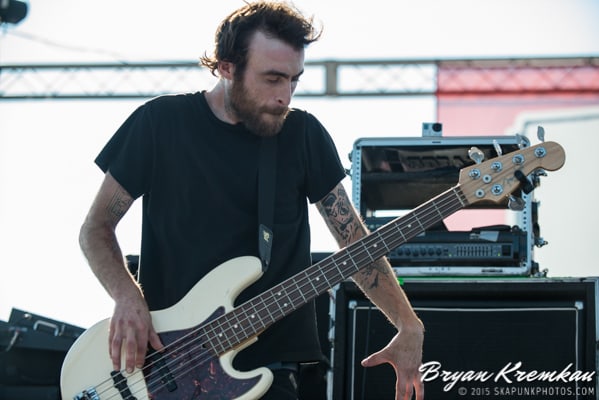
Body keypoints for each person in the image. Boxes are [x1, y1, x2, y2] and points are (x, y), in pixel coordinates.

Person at [79, 1, 424, 399]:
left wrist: (407, 322)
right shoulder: (158, 123)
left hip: (269, 368)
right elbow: (95, 228)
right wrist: (127, 296)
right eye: (273, 79)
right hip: (165, 370)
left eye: (294, 80)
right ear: (226, 67)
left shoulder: (303, 136)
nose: (285, 95)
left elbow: (355, 244)